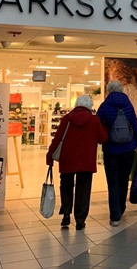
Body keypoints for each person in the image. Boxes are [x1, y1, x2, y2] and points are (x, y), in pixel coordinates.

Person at [46, 94, 107, 230]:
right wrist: (105, 127)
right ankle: (80, 219)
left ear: (76, 105)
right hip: (86, 161)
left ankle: (66, 214)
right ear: (90, 106)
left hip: (68, 159)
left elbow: (57, 139)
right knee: (83, 189)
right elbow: (103, 139)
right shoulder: (94, 120)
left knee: (66, 185)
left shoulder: (67, 119)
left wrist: (50, 155)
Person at [97, 80, 137, 226]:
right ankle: (121, 208)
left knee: (113, 182)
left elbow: (97, 125)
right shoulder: (128, 105)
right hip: (128, 149)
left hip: (111, 149)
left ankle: (115, 217)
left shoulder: (105, 106)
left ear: (109, 91)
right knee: (124, 180)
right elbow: (135, 125)